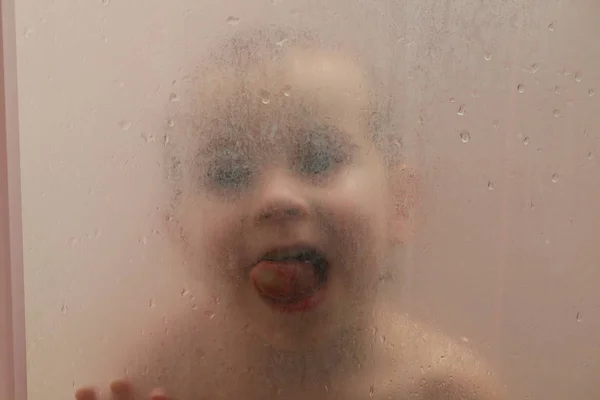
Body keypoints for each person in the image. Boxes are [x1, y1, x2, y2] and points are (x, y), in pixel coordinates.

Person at [75, 26, 502, 400]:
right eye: (229, 173)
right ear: (181, 235)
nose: (276, 198)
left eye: (318, 158)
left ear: (400, 204)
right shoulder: (165, 370)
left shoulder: (443, 388)